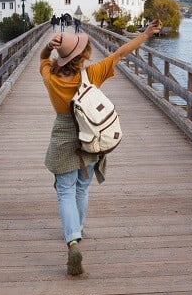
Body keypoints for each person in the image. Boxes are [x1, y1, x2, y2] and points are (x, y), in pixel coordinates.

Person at [39, 20, 162, 276]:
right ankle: (78, 228)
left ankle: (72, 240)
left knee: (64, 191)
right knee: (82, 187)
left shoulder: (49, 76)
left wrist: (49, 49)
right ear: (83, 55)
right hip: (91, 135)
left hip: (63, 136)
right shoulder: (92, 74)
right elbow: (120, 53)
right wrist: (146, 33)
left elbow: (42, 59)